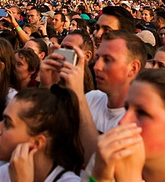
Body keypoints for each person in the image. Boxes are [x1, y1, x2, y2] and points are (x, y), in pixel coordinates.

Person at [41, 30, 145, 161]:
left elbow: (98, 163)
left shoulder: (139, 121)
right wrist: (49, 85)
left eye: (107, 60)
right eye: (97, 59)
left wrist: (78, 96)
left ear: (133, 68)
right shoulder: (92, 98)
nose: (96, 66)